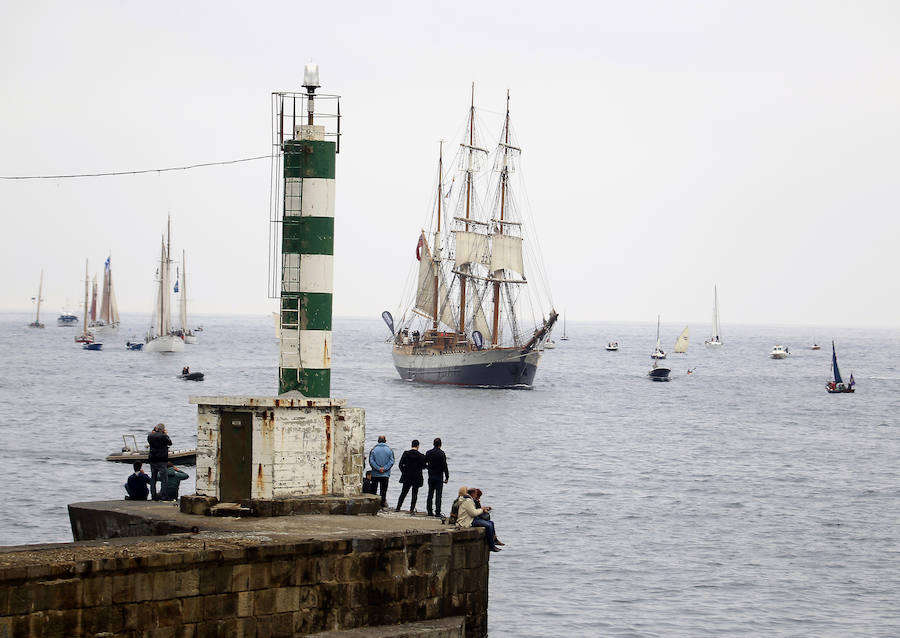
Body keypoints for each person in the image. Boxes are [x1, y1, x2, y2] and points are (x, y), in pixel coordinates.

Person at [454, 486, 501, 552]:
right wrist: (482, 510)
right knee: (489, 525)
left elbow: (473, 511)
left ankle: (494, 540)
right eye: (476, 494)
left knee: (491, 523)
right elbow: (473, 513)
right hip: (467, 521)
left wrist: (482, 509)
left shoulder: (468, 499)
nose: (476, 495)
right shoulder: (468, 501)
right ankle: (491, 546)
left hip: (471, 518)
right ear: (472, 494)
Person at [396, 440, 427, 514]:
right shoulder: (421, 456)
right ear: (418, 446)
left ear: (411, 445)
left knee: (403, 493)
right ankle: (411, 509)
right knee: (414, 494)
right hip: (417, 477)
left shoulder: (406, 453)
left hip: (407, 476)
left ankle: (398, 507)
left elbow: (400, 465)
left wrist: (404, 472)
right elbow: (424, 466)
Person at [425, 437, 450, 517]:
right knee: (438, 495)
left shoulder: (428, 452)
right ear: (440, 445)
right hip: (439, 476)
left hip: (431, 476)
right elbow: (444, 466)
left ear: (433, 444)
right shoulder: (442, 453)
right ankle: (438, 512)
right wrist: (447, 477)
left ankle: (429, 511)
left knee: (430, 494)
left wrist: (428, 468)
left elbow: (424, 462)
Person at [368, 435, 395, 508]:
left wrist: (378, 468)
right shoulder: (389, 450)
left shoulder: (373, 449)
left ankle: (372, 504)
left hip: (375, 474)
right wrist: (385, 468)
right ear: (385, 441)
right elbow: (392, 461)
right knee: (383, 490)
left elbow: (371, 461)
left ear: (378, 441)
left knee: (373, 490)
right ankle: (382, 503)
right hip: (385, 474)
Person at [147, 423, 172, 501]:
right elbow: (170, 443)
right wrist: (166, 435)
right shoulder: (163, 436)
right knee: (164, 479)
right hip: (162, 460)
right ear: (162, 429)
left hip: (152, 459)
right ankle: (164, 496)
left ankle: (153, 495)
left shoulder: (150, 436)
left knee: (153, 478)